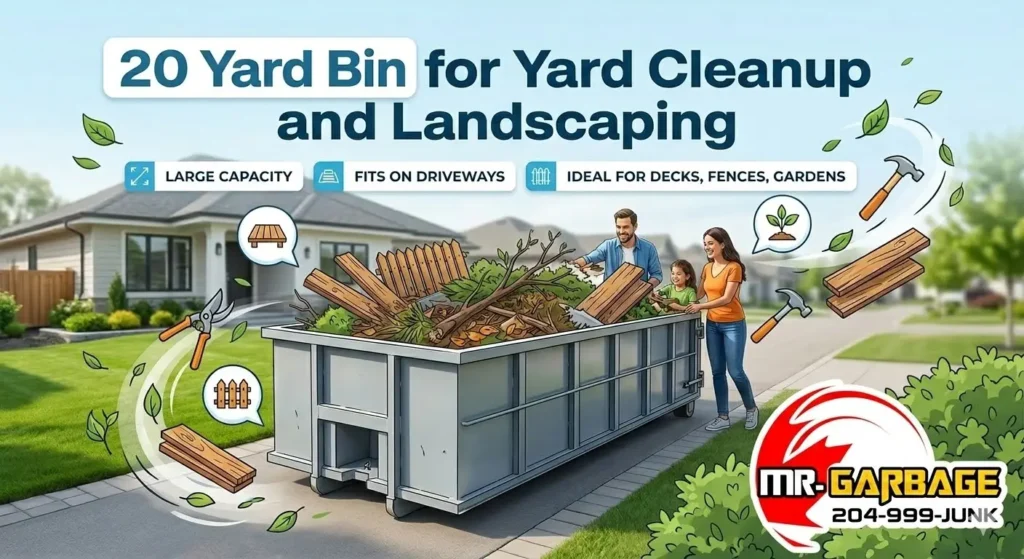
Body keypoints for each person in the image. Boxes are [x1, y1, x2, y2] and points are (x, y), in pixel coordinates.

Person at [682, 227, 759, 432]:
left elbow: (726, 298)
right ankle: (722, 416)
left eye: (710, 243)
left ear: (722, 244)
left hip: (733, 324)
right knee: (717, 372)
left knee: (735, 371)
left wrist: (700, 307)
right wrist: (673, 299)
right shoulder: (707, 269)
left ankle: (751, 409)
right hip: (713, 325)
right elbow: (696, 295)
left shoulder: (734, 268)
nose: (707, 247)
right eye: (705, 243)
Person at [573, 208, 662, 287]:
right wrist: (569, 266)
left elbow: (657, 275)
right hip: (610, 297)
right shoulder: (608, 246)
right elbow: (588, 259)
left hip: (637, 298)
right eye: (618, 227)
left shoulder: (648, 248)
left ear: (635, 227)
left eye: (626, 227)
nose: (621, 231)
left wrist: (646, 288)